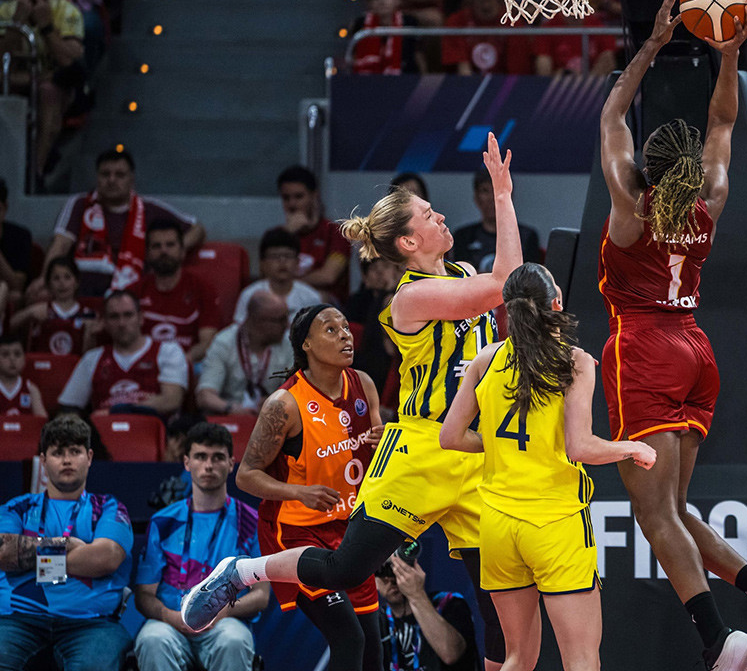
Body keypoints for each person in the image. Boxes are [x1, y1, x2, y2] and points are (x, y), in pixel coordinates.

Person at [181, 134, 520, 671]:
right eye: (429, 214)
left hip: (475, 453)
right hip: (421, 449)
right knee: (346, 569)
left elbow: (507, 288)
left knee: (497, 605)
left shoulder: (463, 276)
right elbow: (505, 283)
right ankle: (242, 571)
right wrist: (501, 195)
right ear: (408, 242)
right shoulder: (409, 297)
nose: (440, 216)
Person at [598, 0, 747, 671]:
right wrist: (728, 54)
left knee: (653, 515)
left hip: (643, 348)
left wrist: (653, 44)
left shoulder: (629, 209)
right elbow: (723, 123)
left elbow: (611, 116)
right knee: (674, 507)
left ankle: (719, 638)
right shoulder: (710, 201)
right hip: (696, 349)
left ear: (646, 168)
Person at [440, 263, 658, 671]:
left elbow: (449, 437)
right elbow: (580, 447)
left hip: (497, 524)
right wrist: (631, 448)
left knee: (518, 658)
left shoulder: (486, 359)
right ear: (556, 303)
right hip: (554, 522)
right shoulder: (573, 361)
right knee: (581, 659)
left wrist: (498, 446)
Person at [194, 305, 385, 670]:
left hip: (351, 531)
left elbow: (376, 461)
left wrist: (384, 444)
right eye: (331, 330)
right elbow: (246, 475)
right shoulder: (284, 404)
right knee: (349, 639)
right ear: (306, 345)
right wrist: (300, 492)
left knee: (373, 654)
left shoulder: (364, 384)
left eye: (346, 327)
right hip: (298, 534)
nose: (345, 335)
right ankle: (242, 571)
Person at [132, 423, 269, 671]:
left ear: (231, 464)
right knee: (152, 639)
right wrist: (170, 617)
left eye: (218, 457)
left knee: (234, 641)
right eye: (200, 456)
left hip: (224, 622)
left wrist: (222, 613)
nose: (208, 465)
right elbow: (144, 594)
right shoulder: (163, 521)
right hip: (171, 622)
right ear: (187, 463)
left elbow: (261, 595)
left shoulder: (251, 522)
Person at [0, 416, 133, 670]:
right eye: (58, 452)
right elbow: (3, 553)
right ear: (43, 460)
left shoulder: (108, 507)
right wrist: (67, 545)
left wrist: (29, 555)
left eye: (75, 451)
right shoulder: (17, 507)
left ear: (89, 457)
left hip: (92, 623)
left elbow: (105, 558)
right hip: (17, 619)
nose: (67, 460)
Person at [43, 148, 205, 296]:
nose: (112, 180)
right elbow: (60, 246)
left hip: (134, 297)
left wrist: (174, 250)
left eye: (120, 175)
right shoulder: (80, 204)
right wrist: (44, 281)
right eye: (105, 174)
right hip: (80, 294)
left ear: (131, 180)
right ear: (97, 177)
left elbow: (197, 229)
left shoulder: (148, 208)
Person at [0, 0, 84, 175]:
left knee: (48, 91)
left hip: (55, 83)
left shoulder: (67, 11)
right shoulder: (4, 11)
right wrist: (16, 23)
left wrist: (46, 26)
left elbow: (68, 61)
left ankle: (36, 171)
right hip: (13, 79)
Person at [56, 289, 188, 418]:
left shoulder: (167, 351)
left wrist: (117, 411)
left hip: (151, 430)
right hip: (104, 431)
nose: (122, 323)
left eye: (128, 315)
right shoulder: (92, 358)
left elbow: (171, 401)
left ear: (141, 318)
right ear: (105, 322)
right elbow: (68, 408)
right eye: (114, 317)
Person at [129, 218, 218, 364]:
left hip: (189, 364)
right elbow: (125, 343)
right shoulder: (133, 292)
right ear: (147, 254)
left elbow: (207, 343)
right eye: (156, 246)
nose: (163, 251)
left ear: (182, 251)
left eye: (170, 245)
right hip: (143, 366)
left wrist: (179, 364)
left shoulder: (203, 289)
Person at [374, 549, 478, 671]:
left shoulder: (449, 603)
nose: (391, 579)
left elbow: (451, 654)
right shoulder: (377, 621)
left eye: (397, 568)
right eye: (382, 571)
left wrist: (416, 594)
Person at [197, 290, 294, 417]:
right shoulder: (224, 343)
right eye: (280, 320)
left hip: (275, 416)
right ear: (258, 321)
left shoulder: (289, 344)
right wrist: (231, 408)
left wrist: (279, 400)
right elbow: (205, 396)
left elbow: (299, 392)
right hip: (231, 416)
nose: (287, 325)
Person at [441, 0, 544, 76]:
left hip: (505, 85)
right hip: (468, 85)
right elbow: (462, 72)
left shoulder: (513, 23)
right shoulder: (456, 22)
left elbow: (516, 73)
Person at [277, 165, 353, 303]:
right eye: (286, 198)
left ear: (314, 196)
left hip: (328, 304)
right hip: (284, 298)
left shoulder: (336, 233)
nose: (292, 204)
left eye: (299, 197)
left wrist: (288, 283)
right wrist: (287, 235)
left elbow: (328, 276)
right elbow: (269, 276)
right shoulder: (278, 235)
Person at [450, 170, 541, 272]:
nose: (492, 198)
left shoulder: (527, 236)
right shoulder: (463, 236)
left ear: (510, 196)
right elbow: (461, 276)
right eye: (485, 191)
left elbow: (531, 277)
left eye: (498, 190)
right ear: (476, 197)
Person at [232, 228, 324, 324]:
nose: (282, 262)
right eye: (275, 256)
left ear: (297, 262)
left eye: (288, 256)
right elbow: (240, 329)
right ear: (262, 263)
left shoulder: (311, 297)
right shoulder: (250, 295)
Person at [12, 255, 96, 356]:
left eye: (67, 277)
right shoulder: (40, 309)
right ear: (49, 284)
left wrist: (90, 333)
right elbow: (10, 325)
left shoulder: (88, 314)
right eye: (56, 278)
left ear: (77, 282)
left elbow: (90, 355)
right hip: (43, 365)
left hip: (75, 365)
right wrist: (29, 313)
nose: (62, 283)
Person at [351, 0, 431, 75]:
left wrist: (424, 79)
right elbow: (353, 58)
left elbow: (418, 54)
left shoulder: (409, 22)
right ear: (369, 3)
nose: (382, 0)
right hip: (367, 80)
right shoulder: (361, 24)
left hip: (405, 79)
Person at [345, 256, 399, 402]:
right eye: (374, 269)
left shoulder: (402, 300)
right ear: (365, 278)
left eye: (386, 267)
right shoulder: (357, 304)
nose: (380, 273)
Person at [0, 179, 34, 302]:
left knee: (13, 295)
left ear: (4, 208)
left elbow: (17, 285)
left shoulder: (20, 236)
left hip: (6, 292)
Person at [0, 334, 47, 417]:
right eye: (5, 355)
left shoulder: (31, 389)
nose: (12, 359)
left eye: (17, 354)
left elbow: (41, 420)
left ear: (24, 360)